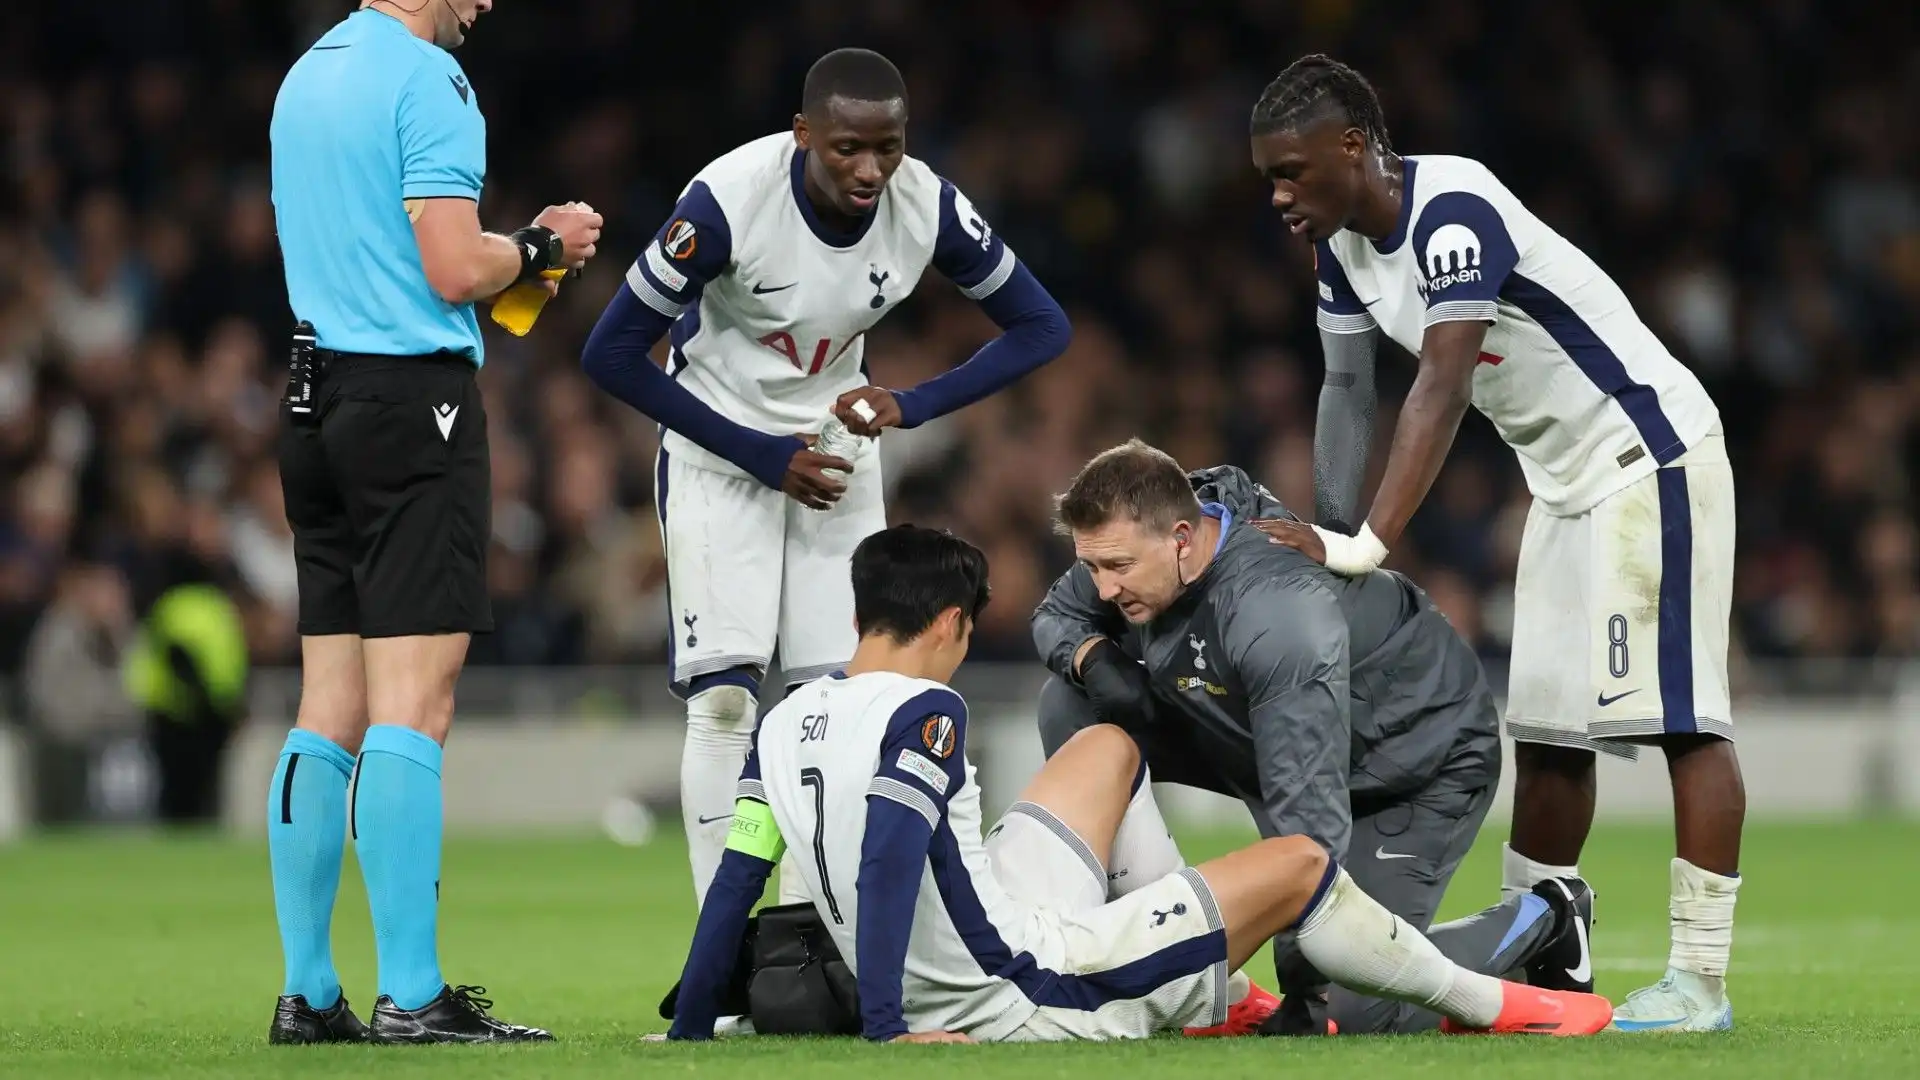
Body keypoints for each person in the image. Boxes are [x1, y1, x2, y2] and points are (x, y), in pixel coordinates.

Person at [664, 524, 1613, 1042]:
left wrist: (697, 1021)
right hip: (1026, 986)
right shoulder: (929, 713)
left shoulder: (786, 715)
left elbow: (740, 878)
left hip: (976, 938)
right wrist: (886, 1032)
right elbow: (884, 865)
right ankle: (1507, 981)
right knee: (1298, 865)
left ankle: (1207, 978)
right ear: (952, 623)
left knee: (1110, 744)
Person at [1246, 54, 1744, 1032]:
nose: (1278, 194)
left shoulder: (1453, 209)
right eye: (1268, 176)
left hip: (1651, 456)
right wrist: (1337, 536)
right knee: (1551, 737)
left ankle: (1701, 982)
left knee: (1682, 718)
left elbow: (1442, 381)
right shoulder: (1342, 247)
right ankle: (1548, 952)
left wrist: (1372, 542)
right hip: (1561, 486)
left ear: (1355, 146)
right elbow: (1346, 391)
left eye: (1293, 172)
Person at [580, 47, 1070, 910]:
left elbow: (1041, 325)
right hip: (717, 455)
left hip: (835, 460)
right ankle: (723, 957)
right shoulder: (727, 203)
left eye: (887, 146)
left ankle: (811, 943)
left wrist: (912, 405)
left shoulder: (927, 205)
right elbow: (610, 352)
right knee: (727, 707)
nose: (870, 168)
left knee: (832, 703)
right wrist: (758, 453)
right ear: (802, 133)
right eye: (847, 148)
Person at [265, 0, 601, 1045]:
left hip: (312, 399)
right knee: (414, 703)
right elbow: (453, 270)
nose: (489, 2)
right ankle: (412, 993)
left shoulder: (306, 76)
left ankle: (309, 993)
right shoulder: (429, 79)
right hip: (411, 407)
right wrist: (541, 243)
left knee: (330, 703)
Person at [1031, 439, 1594, 1035]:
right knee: (1071, 703)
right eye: (1092, 567)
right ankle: (1151, 959)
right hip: (1264, 734)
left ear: (1181, 538)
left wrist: (1305, 994)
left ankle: (1549, 911)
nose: (1104, 590)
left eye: (1117, 569)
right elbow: (1056, 614)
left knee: (1353, 1013)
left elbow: (1310, 833)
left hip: (1410, 767)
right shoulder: (1132, 539)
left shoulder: (1277, 613)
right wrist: (1093, 656)